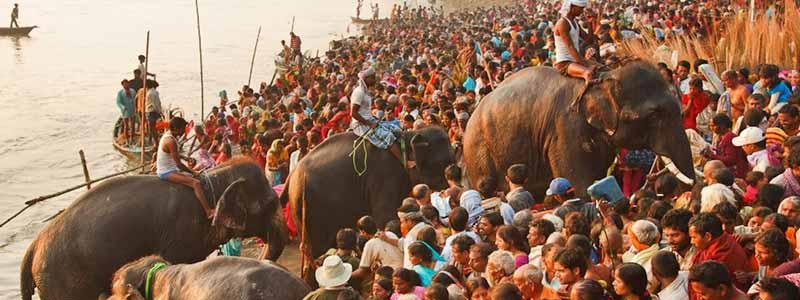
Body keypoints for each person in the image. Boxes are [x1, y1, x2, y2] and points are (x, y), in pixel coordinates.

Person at [156, 117, 213, 219]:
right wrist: (193, 172)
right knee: (196, 183)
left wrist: (186, 158)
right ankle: (208, 211)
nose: (184, 131)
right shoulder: (171, 141)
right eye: (183, 128)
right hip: (166, 172)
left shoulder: (169, 135)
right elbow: (179, 165)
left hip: (171, 168)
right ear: (177, 129)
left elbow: (173, 154)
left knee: (194, 176)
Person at [349, 67, 407, 167]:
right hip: (361, 124)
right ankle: (404, 163)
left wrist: (373, 119)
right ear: (366, 79)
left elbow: (365, 111)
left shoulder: (365, 91)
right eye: (372, 78)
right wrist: (369, 123)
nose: (374, 80)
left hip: (370, 120)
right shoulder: (359, 92)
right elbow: (353, 113)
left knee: (396, 129)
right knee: (388, 136)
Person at [688, 213, 749, 290]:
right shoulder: (726, 238)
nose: (691, 242)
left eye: (694, 237)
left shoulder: (718, 257)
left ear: (707, 236)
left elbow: (707, 289)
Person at [554, 0, 596, 84]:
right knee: (588, 73)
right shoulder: (562, 23)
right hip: (564, 63)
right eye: (580, 8)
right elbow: (570, 47)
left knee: (602, 68)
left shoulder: (575, 22)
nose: (582, 11)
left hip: (575, 60)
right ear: (572, 7)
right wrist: (584, 64)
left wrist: (590, 23)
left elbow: (589, 40)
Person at [704, 113, 748, 178]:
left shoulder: (729, 137)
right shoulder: (720, 137)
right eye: (710, 126)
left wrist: (712, 155)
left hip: (736, 173)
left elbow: (730, 160)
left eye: (713, 126)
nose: (711, 128)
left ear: (722, 126)